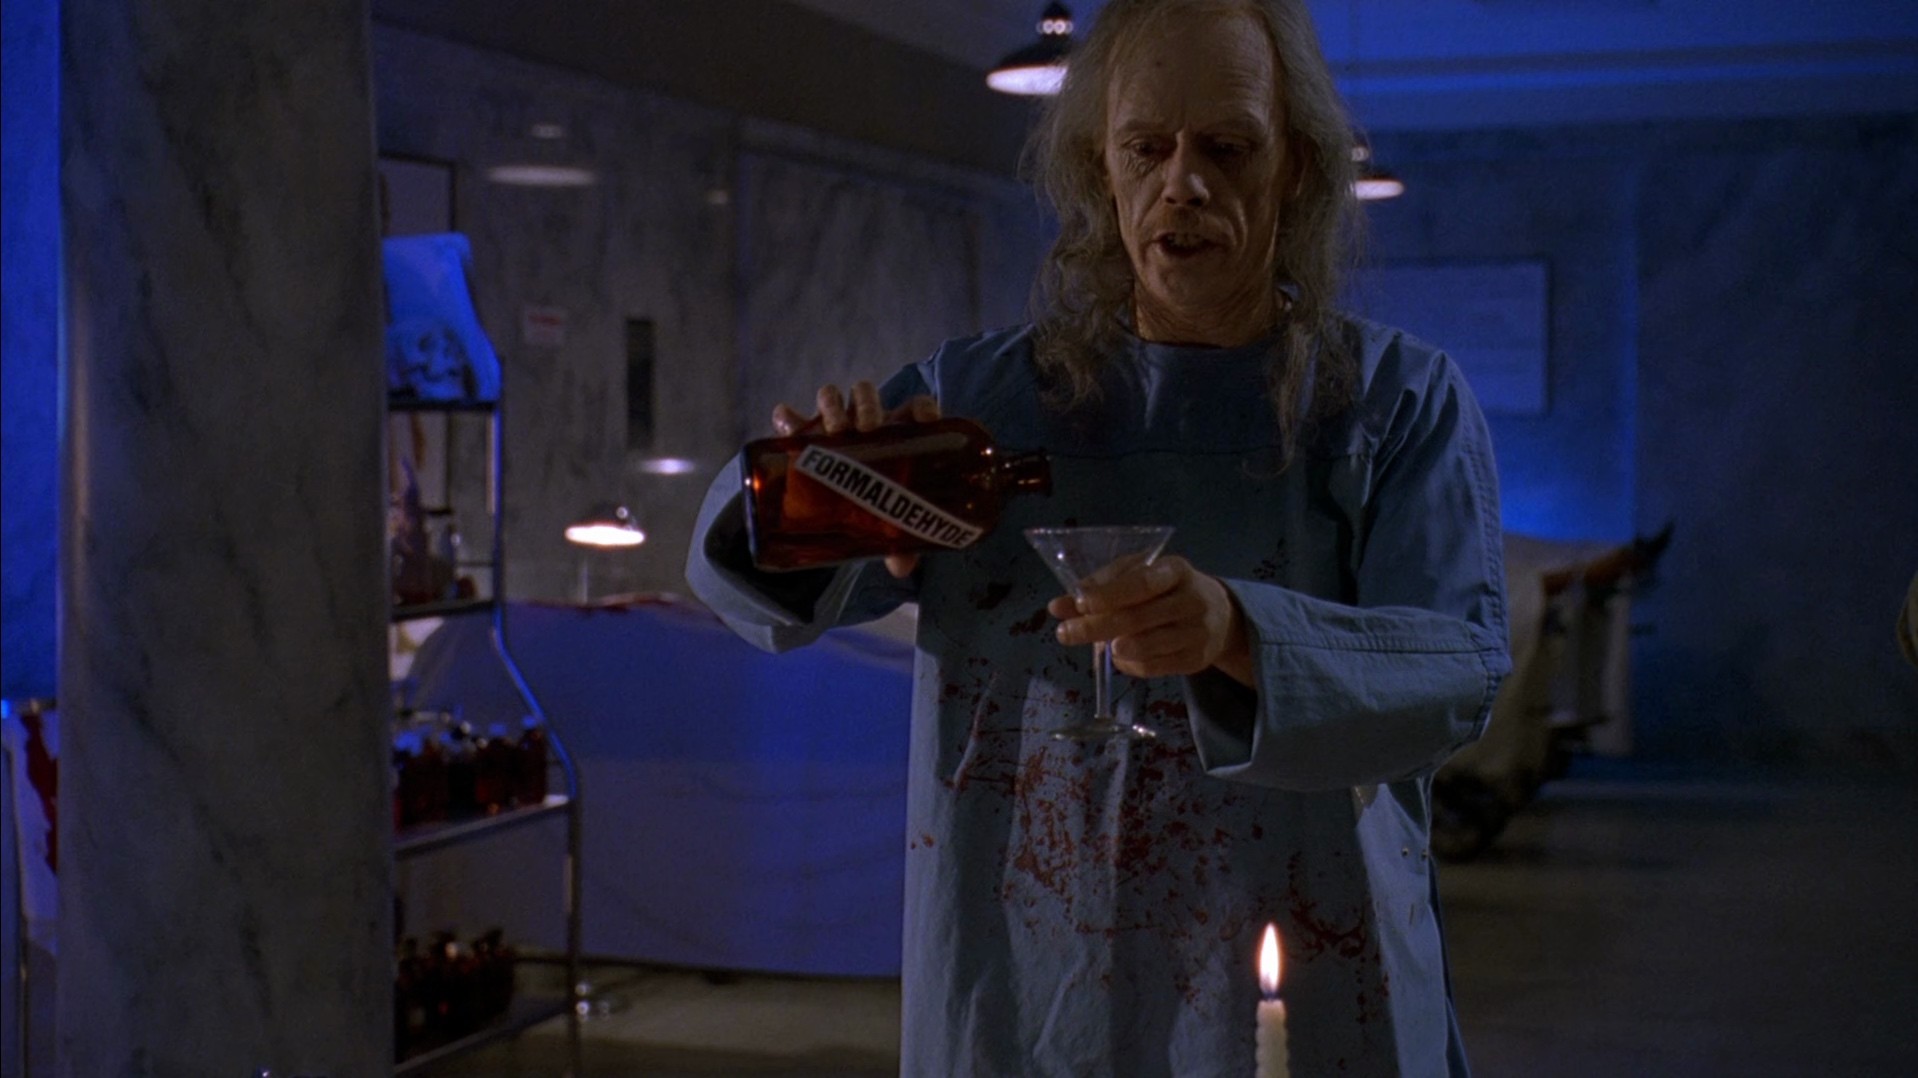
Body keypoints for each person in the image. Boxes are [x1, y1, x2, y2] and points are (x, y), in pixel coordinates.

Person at [687, 0, 1510, 1073]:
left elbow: (1452, 671)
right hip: (1031, 978)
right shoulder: (977, 403)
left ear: (1296, 169)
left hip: (1305, 965)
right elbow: (738, 577)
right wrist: (822, 500)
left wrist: (1237, 631)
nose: (1183, 184)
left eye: (1227, 148)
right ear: (1100, 173)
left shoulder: (1394, 403)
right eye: (1145, 149)